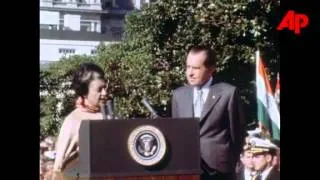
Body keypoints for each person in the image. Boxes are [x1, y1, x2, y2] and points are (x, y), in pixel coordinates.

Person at [171, 45, 245, 180]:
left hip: (219, 170)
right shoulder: (178, 95)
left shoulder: (228, 93)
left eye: (196, 68)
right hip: (187, 168)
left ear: (211, 69)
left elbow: (237, 133)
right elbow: (177, 133)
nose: (190, 73)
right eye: (188, 67)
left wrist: (232, 161)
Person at [53, 62, 108, 174]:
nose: (105, 93)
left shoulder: (112, 116)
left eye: (105, 88)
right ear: (84, 92)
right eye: (99, 89)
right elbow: (59, 167)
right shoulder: (73, 121)